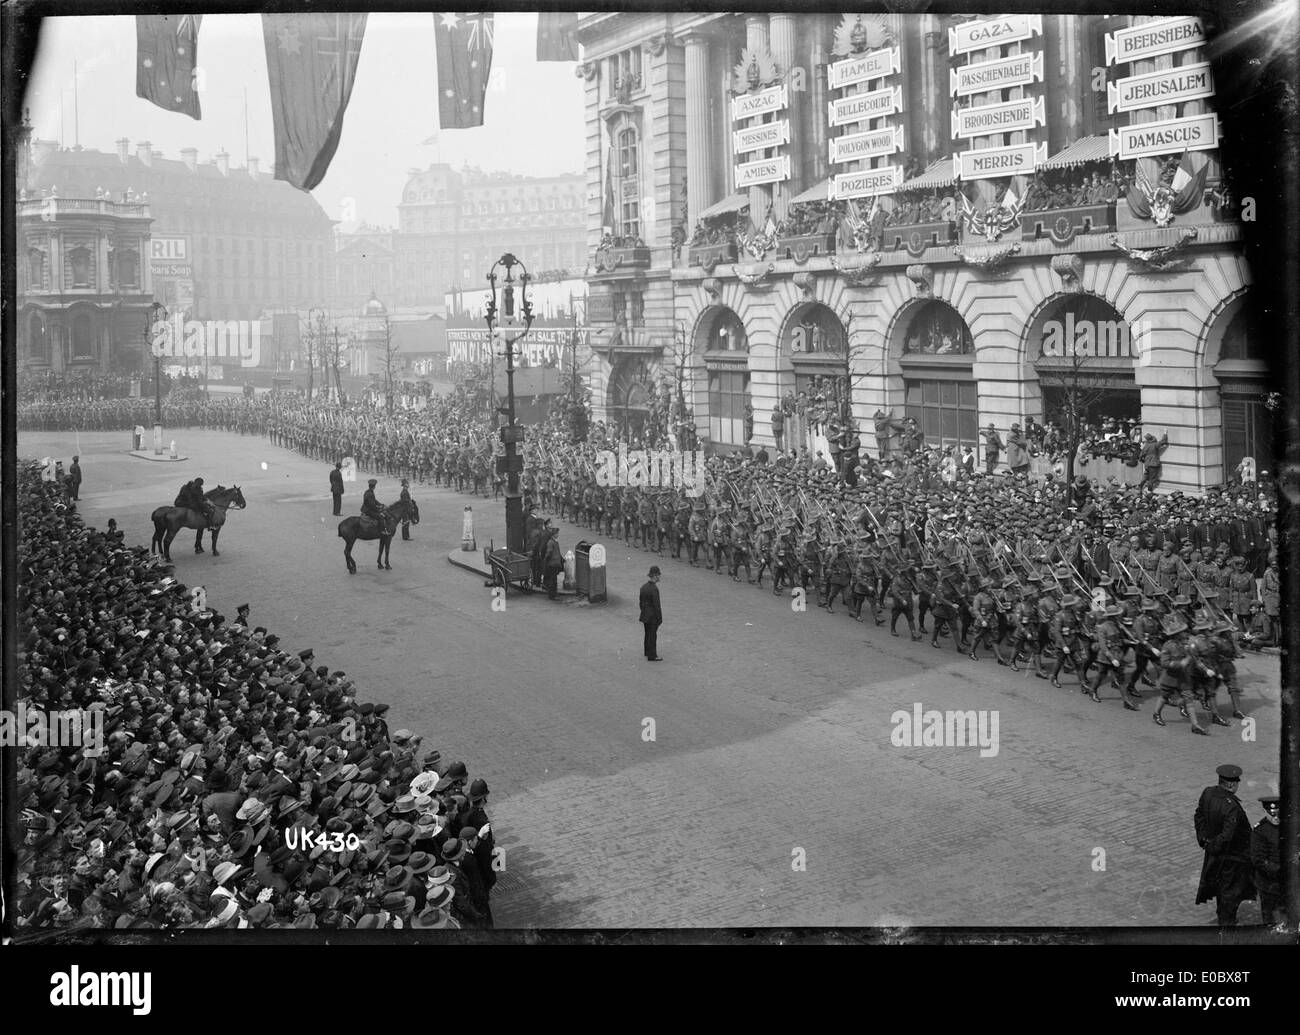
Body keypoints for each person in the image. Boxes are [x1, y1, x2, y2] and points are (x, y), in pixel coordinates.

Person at [1194, 763, 1256, 926]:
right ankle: (1226, 922)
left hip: (1214, 852)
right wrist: (1214, 845)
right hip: (1232, 856)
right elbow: (1228, 835)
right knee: (1231, 890)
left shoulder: (1208, 793)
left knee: (1221, 885)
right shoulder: (1232, 807)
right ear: (1231, 784)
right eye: (1236, 783)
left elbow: (1198, 815)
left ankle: (1223, 915)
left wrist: (1204, 840)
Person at [1250, 796, 1283, 926]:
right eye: (1272, 814)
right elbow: (1258, 860)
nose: (1276, 818)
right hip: (1270, 886)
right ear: (1265, 811)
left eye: (1278, 814)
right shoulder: (1260, 831)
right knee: (1271, 920)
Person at [639, 565, 663, 661]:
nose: (659, 577)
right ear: (655, 576)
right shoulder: (654, 589)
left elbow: (640, 602)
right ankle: (652, 655)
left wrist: (644, 611)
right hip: (653, 616)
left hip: (645, 614)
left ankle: (647, 651)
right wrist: (659, 618)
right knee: (652, 635)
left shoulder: (643, 587)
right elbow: (657, 606)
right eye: (658, 575)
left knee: (647, 634)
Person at [542, 527, 564, 600]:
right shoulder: (551, 542)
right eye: (556, 533)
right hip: (552, 564)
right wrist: (547, 561)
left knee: (554, 580)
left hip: (555, 563)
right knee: (552, 580)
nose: (558, 534)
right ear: (553, 535)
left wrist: (561, 559)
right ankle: (552, 595)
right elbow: (549, 552)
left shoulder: (554, 542)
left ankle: (554, 594)